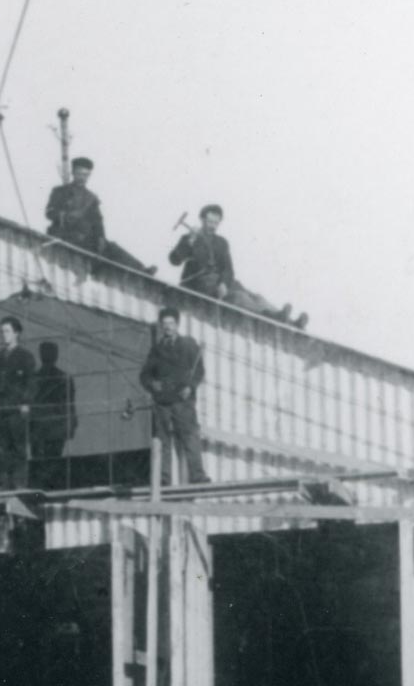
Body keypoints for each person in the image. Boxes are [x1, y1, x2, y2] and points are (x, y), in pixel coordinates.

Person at [169, 205, 306, 328]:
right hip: (201, 285)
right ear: (202, 220)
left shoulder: (221, 243)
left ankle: (289, 321)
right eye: (210, 222)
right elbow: (174, 260)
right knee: (239, 298)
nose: (213, 226)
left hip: (221, 283)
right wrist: (190, 241)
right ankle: (269, 317)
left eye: (216, 223)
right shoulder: (189, 238)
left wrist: (223, 283)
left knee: (257, 297)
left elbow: (228, 269)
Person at [138, 308, 209, 487]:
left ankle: (198, 475)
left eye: (171, 323)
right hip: (162, 403)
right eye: (164, 324)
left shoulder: (189, 345)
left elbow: (199, 371)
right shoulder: (156, 350)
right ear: (161, 327)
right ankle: (164, 479)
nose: (168, 327)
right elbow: (144, 376)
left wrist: (190, 387)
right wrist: (153, 385)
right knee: (163, 441)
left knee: (190, 436)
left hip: (183, 401)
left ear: (177, 325)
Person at [44, 157, 153, 272]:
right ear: (73, 173)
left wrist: (101, 238)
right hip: (64, 235)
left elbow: (98, 222)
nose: (82, 178)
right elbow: (49, 212)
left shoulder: (91, 198)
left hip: (84, 239)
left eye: (86, 175)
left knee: (112, 247)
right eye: (79, 174)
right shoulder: (60, 191)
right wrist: (65, 216)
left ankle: (142, 269)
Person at [0, 318, 37, 491]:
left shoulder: (26, 356)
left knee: (18, 448)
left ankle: (19, 484)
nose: (4, 335)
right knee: (0, 448)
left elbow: (31, 383)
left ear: (16, 333)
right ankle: (2, 484)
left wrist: (26, 402)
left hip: (17, 409)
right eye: (2, 331)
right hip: (0, 409)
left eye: (7, 331)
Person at [29, 341, 77, 491]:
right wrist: (72, 423)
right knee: (54, 460)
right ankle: (50, 488)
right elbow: (69, 403)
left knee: (41, 462)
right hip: (55, 426)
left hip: (40, 427)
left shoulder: (34, 378)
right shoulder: (64, 377)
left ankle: (42, 489)